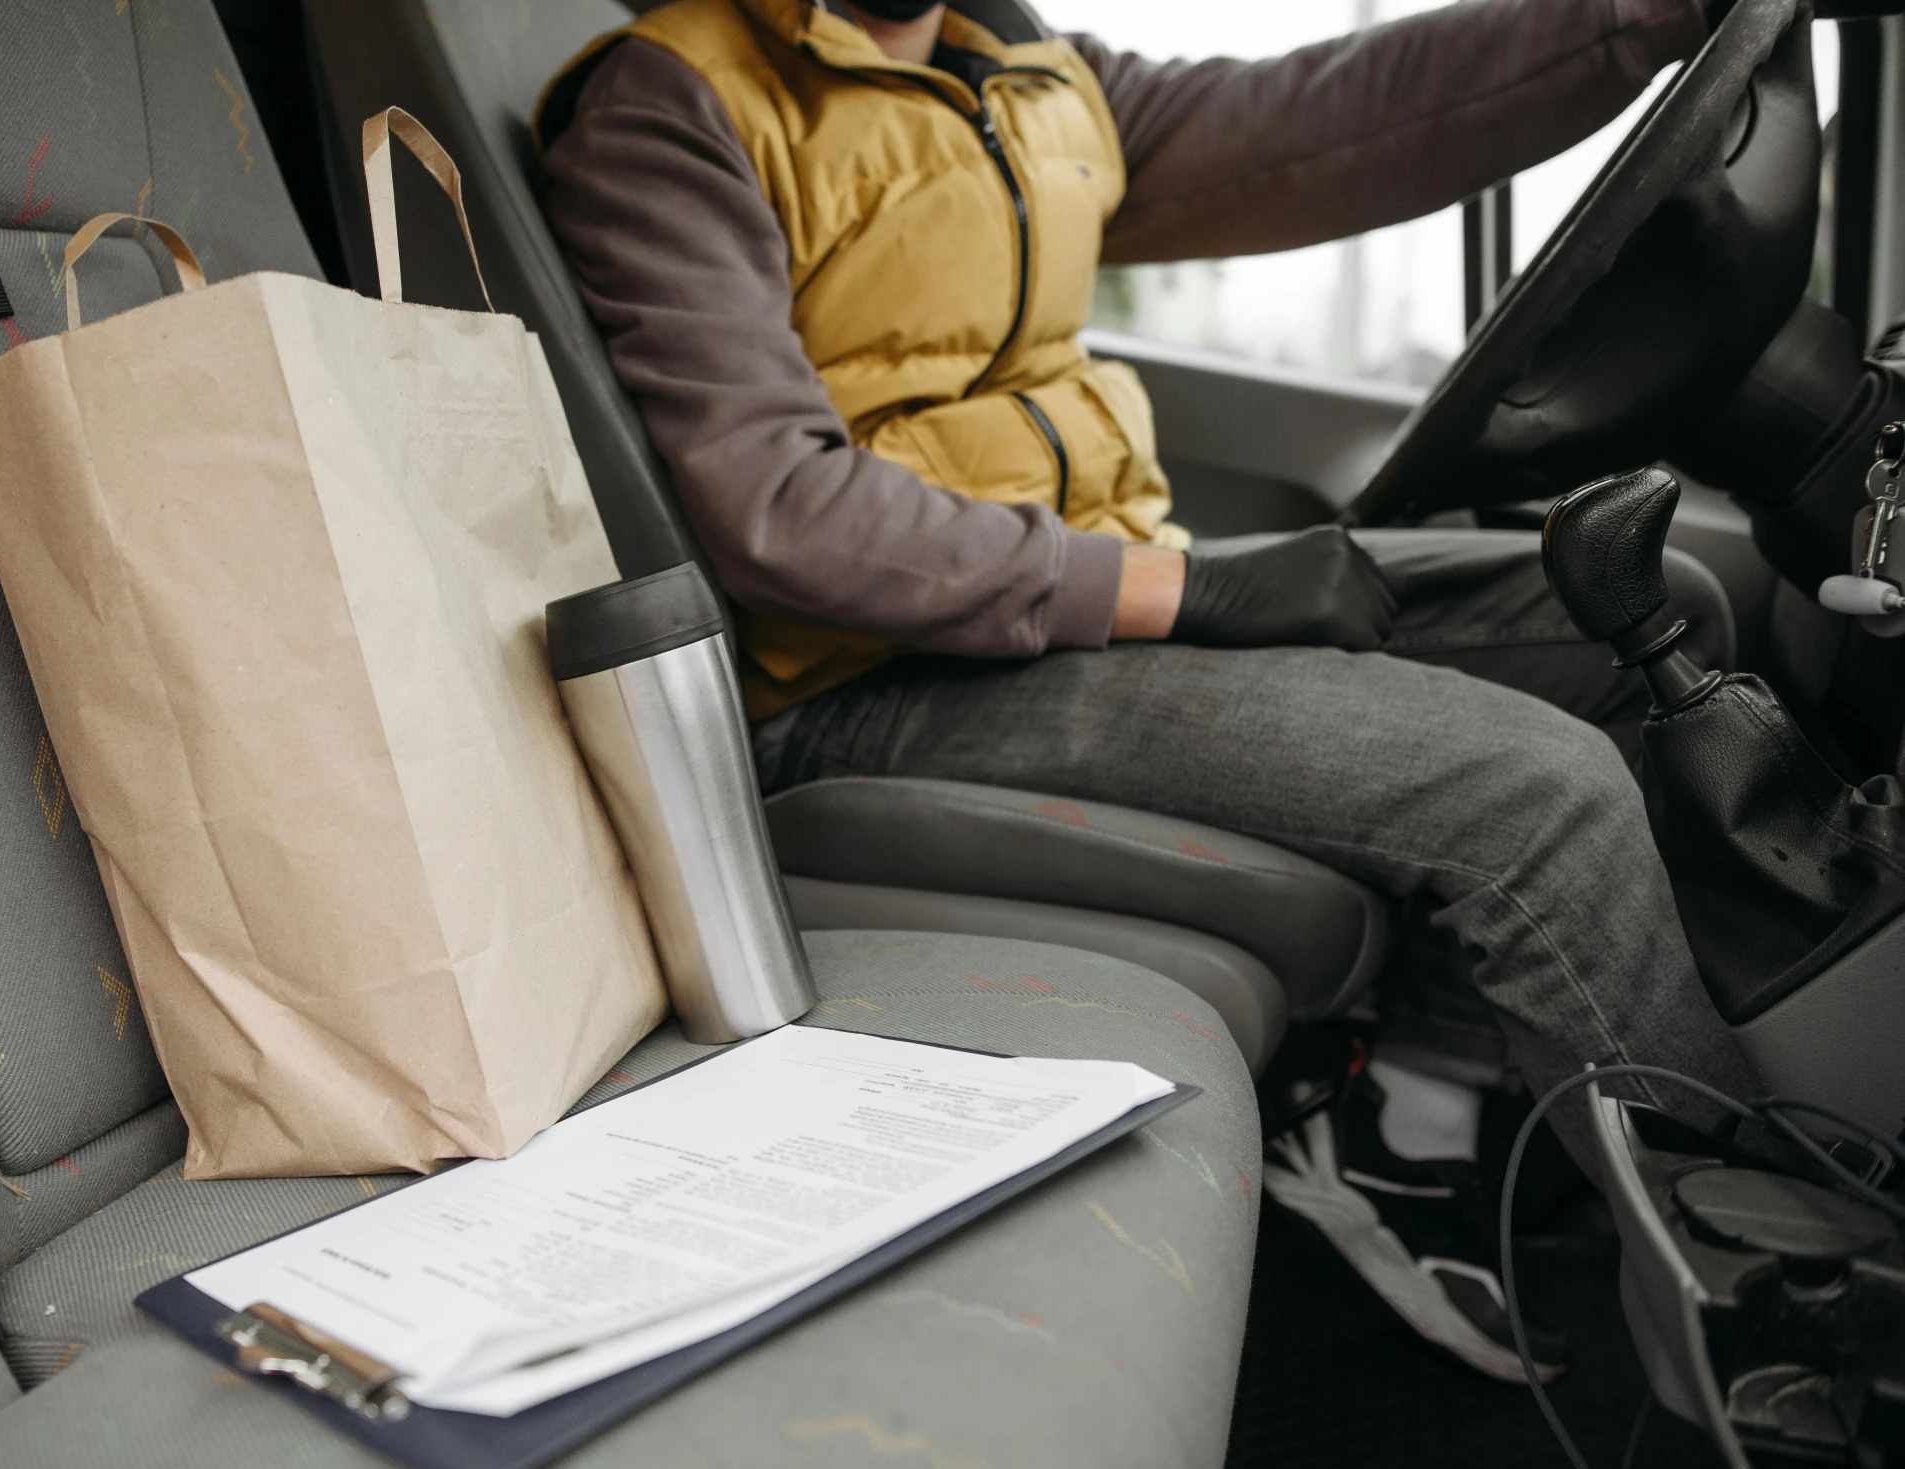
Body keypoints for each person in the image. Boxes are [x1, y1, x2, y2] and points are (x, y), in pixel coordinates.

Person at [536, 0, 1756, 1380]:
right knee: (1543, 792)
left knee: (1635, 612)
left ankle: (1413, 1128)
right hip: (863, 680)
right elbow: (784, 517)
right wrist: (1189, 594)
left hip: (1083, 604)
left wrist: (1631, 21)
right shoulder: (673, 104)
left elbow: (1334, 119)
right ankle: (1743, 1310)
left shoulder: (1019, 68)